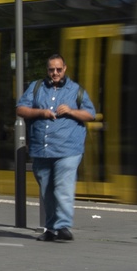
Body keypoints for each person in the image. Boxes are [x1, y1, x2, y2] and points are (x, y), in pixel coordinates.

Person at [17, 52, 98, 241]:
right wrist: (41, 112)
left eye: (58, 69)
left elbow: (90, 114)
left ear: (65, 69)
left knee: (62, 187)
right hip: (41, 149)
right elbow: (20, 109)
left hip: (68, 149)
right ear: (47, 70)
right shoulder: (36, 87)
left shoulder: (76, 90)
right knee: (46, 190)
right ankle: (52, 229)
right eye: (51, 69)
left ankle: (62, 226)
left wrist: (71, 111)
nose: (55, 73)